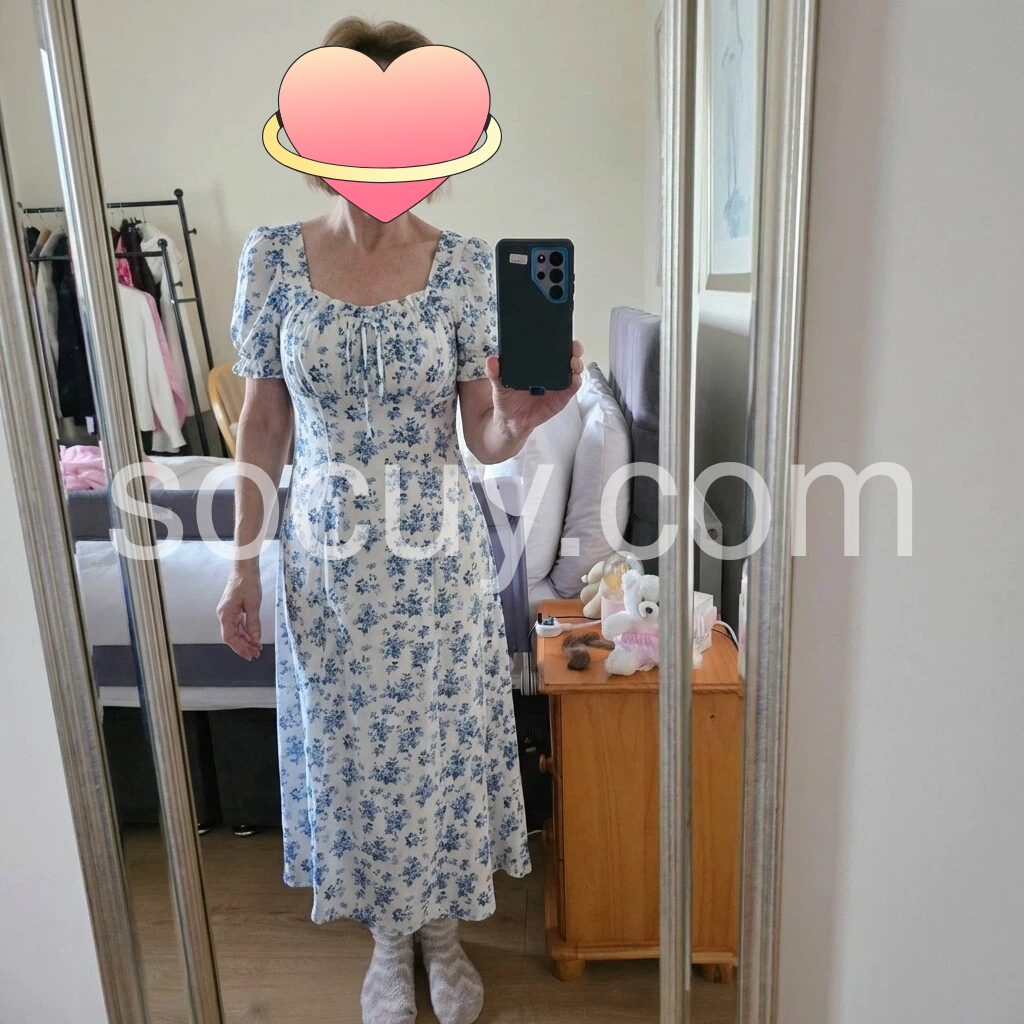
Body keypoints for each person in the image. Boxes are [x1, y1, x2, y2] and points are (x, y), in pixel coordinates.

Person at [216, 16, 583, 1024]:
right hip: (327, 558)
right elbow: (262, 422)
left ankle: (442, 933)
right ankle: (388, 939)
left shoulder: (463, 265)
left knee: (434, 750)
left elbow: (482, 436)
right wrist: (243, 564)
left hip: (437, 559)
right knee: (352, 752)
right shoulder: (270, 259)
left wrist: (523, 418)